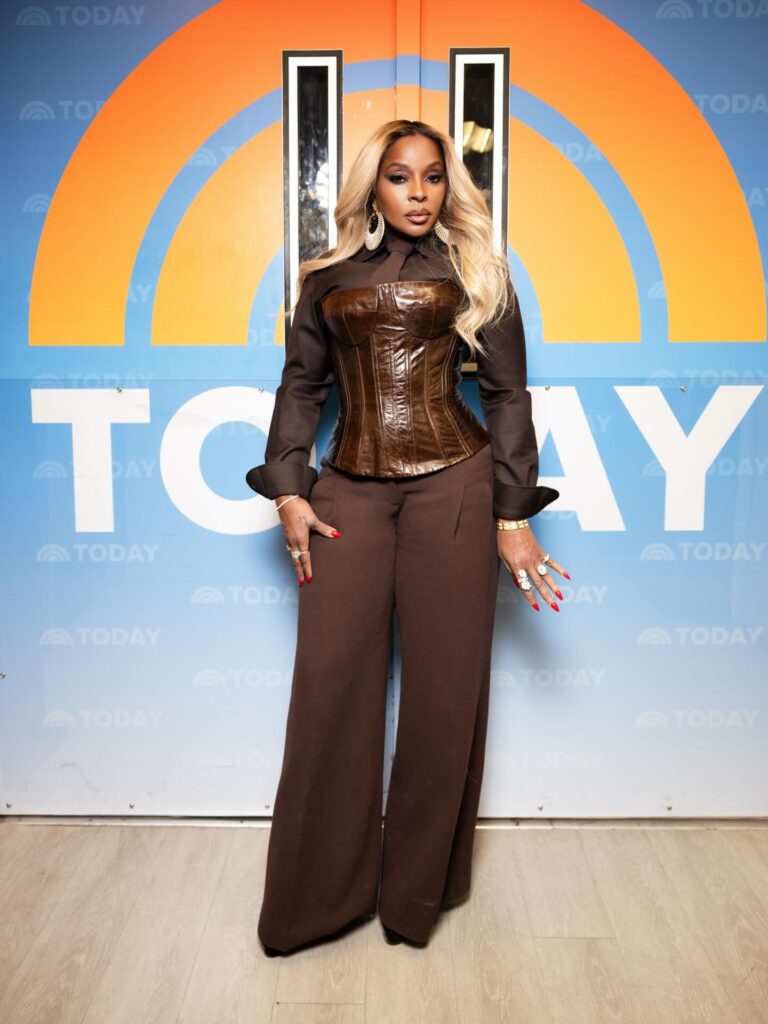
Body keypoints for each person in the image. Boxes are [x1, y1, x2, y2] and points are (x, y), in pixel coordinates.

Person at [245, 119, 568, 956]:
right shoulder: (325, 278)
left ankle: (416, 895)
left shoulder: (479, 273)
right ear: (373, 187)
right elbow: (300, 386)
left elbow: (508, 396)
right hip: (347, 490)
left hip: (454, 487)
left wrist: (511, 516)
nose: (418, 193)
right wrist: (289, 489)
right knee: (329, 688)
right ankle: (316, 904)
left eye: (432, 176)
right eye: (399, 176)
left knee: (444, 694)